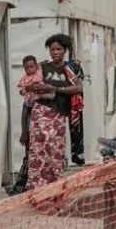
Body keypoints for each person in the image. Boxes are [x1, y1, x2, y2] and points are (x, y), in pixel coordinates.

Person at [22, 34, 84, 192]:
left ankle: (54, 190)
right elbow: (27, 84)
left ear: (65, 50)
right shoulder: (42, 67)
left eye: (59, 49)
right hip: (40, 113)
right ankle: (37, 191)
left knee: (54, 153)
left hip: (58, 115)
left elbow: (78, 88)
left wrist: (56, 89)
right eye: (52, 49)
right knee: (37, 153)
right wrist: (34, 87)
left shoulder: (72, 68)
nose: (55, 52)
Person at [12, 55, 51, 195]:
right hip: (31, 129)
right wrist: (24, 132)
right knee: (29, 155)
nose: (29, 70)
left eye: (32, 67)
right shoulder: (29, 96)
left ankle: (41, 184)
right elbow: (24, 112)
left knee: (44, 156)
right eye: (26, 68)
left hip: (44, 132)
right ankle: (22, 184)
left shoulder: (46, 91)